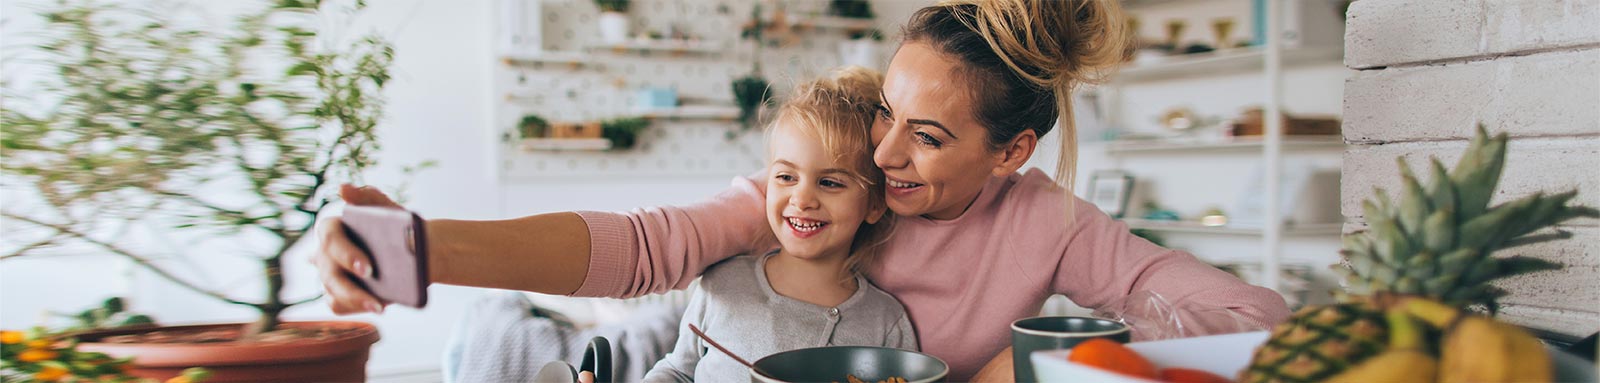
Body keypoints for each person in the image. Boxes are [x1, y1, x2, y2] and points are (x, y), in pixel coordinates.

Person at [313, 1, 1291, 380]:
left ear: (1010, 154)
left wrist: (1024, 368)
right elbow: (649, 244)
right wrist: (422, 246)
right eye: (887, 112)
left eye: (929, 134)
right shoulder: (836, 187)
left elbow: (1253, 316)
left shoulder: (1053, 225)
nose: (887, 151)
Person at [640, 67, 916, 382]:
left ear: (874, 204)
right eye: (786, 177)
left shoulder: (885, 322)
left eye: (829, 182)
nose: (802, 198)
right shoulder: (723, 283)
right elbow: (677, 371)